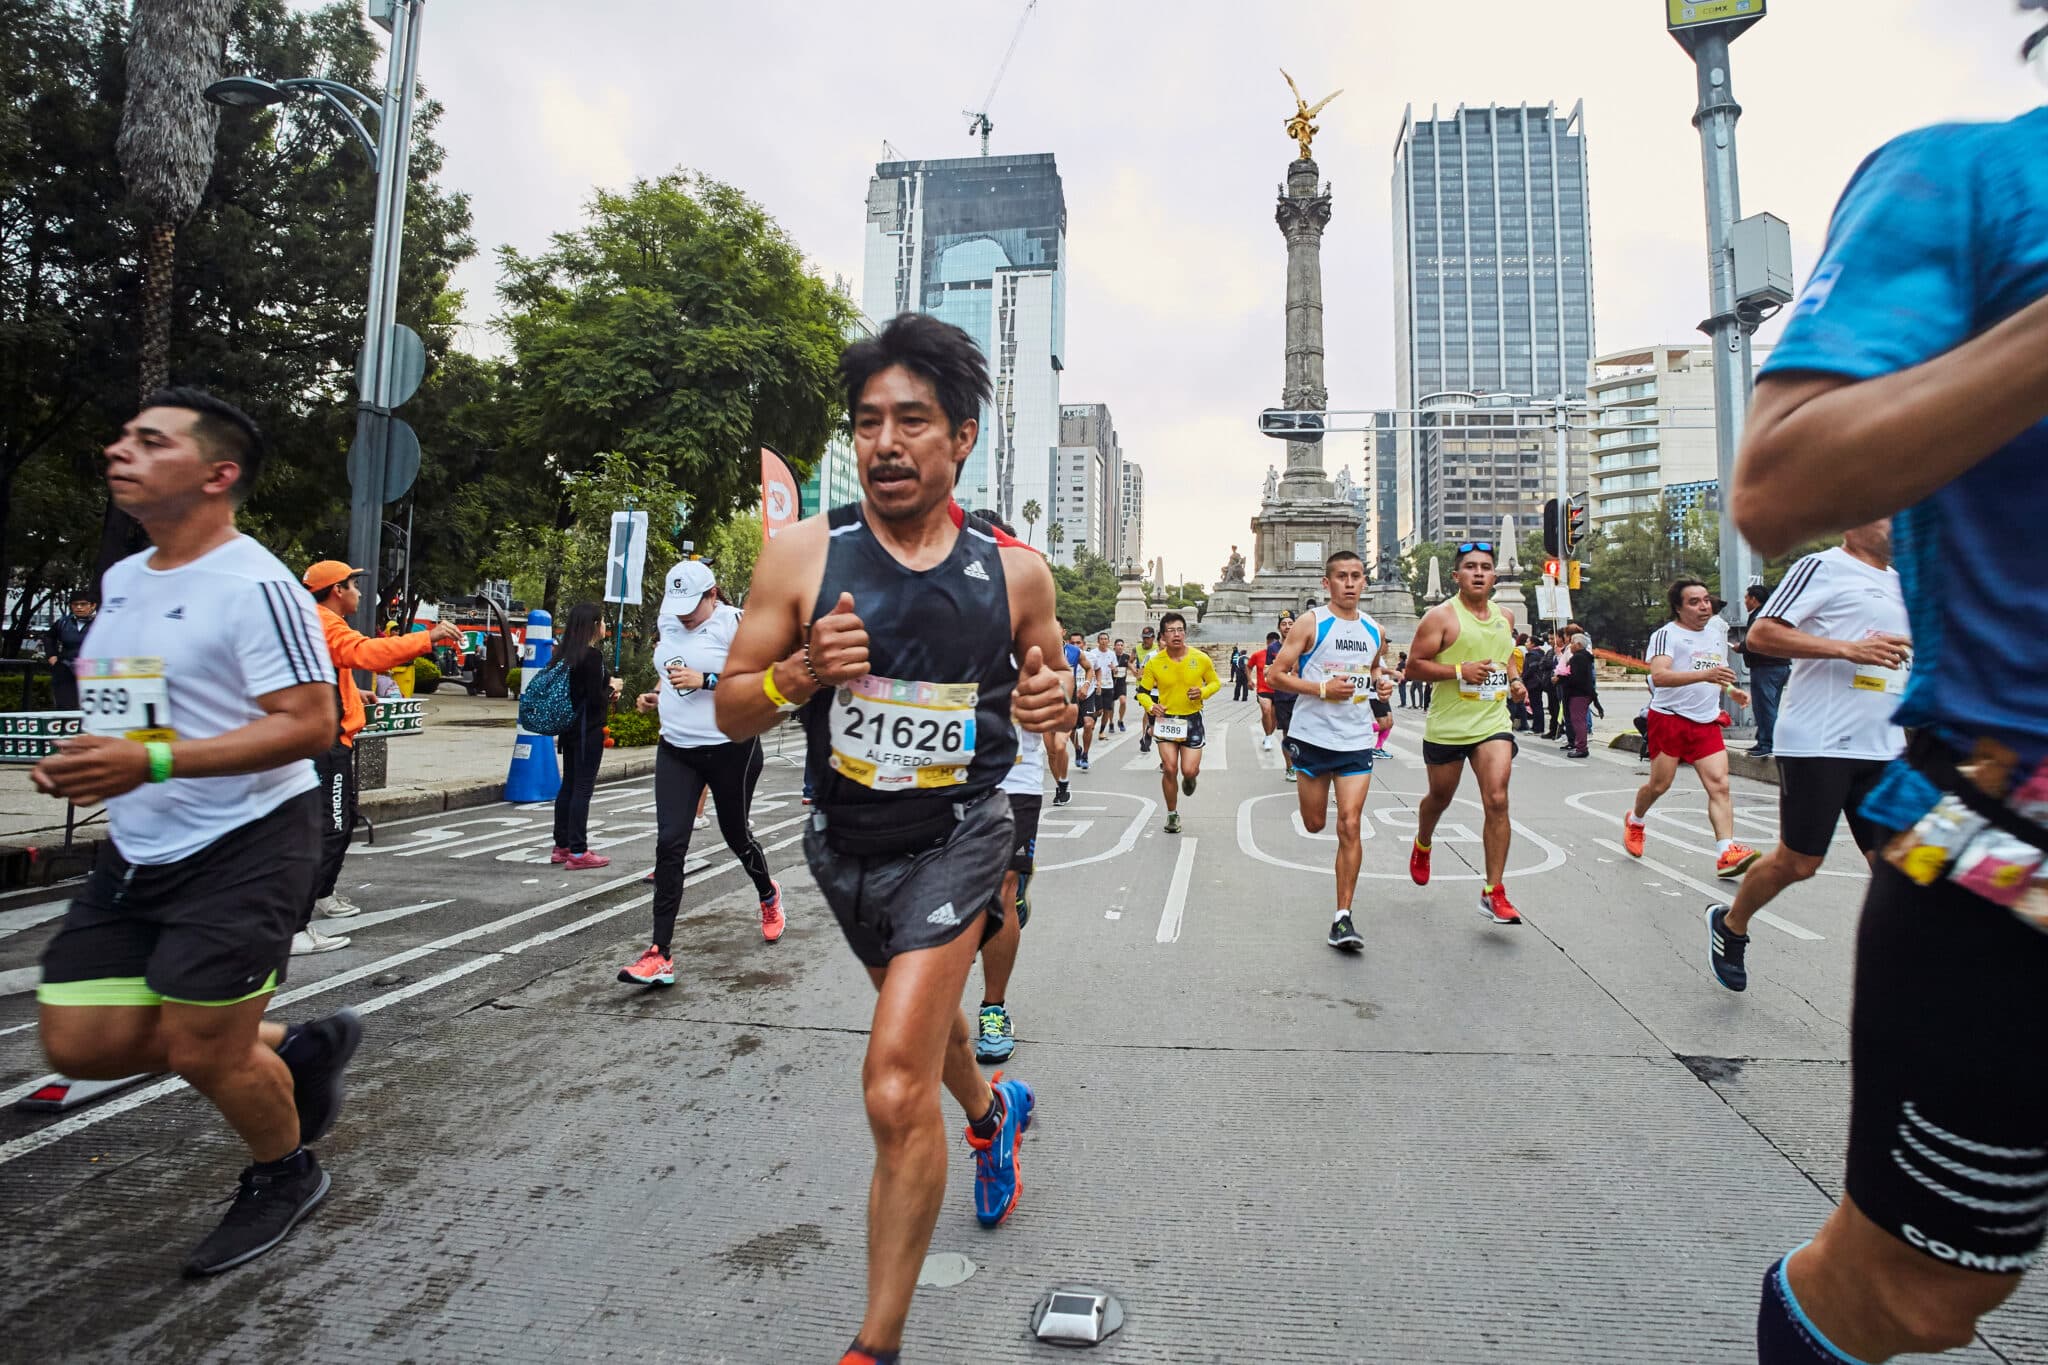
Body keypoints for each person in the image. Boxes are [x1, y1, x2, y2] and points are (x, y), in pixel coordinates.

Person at [1728, 35, 2048, 1352]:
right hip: (2004, 832)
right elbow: (1778, 487)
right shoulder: (1964, 180)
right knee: (1923, 1287)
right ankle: (1740, 903)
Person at [712, 312, 1072, 1365]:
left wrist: (1052, 703)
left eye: (911, 420)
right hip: (844, 845)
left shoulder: (1014, 574)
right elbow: (728, 707)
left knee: (888, 1083)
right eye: (867, 421)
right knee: (929, 1042)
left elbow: (1050, 678)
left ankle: (875, 1345)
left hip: (961, 832)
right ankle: (993, 1111)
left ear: (960, 439)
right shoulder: (798, 557)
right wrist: (797, 674)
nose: (885, 443)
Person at [33, 388, 359, 1276]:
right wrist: (93, 757)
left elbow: (311, 723)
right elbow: (141, 706)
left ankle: (284, 1171)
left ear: (217, 475)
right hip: (143, 844)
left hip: (250, 836)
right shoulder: (127, 578)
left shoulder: (257, 585)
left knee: (198, 1042)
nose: (118, 450)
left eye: (148, 441)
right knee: (78, 1040)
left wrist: (155, 762)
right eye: (121, 434)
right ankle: (297, 1045)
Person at [1707, 521, 1908, 994]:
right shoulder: (1821, 567)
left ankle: (1903, 978)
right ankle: (1731, 923)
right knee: (1800, 862)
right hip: (1820, 743)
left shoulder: (1904, 583)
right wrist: (1846, 648)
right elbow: (1762, 637)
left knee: (1898, 867)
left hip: (1885, 745)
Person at [618, 562, 785, 987]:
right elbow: (668, 670)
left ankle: (767, 893)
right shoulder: (669, 621)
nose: (684, 616)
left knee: (735, 835)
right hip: (677, 747)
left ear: (713, 595)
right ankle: (660, 954)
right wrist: (656, 695)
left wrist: (707, 679)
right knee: (670, 844)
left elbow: (766, 680)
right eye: (678, 607)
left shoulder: (735, 625)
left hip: (732, 747)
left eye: (692, 606)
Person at [297, 562, 462, 954]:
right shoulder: (323, 622)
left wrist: (357, 697)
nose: (358, 592)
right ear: (337, 590)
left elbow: (330, 678)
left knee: (338, 823)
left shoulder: (311, 620)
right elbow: (366, 654)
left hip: (328, 740)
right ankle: (295, 924)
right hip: (326, 745)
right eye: (353, 584)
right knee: (330, 829)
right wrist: (427, 638)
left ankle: (320, 896)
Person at [1269, 551, 1394, 951]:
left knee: (1351, 824)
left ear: (1364, 582)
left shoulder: (1374, 629)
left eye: (1357, 576)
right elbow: (1276, 675)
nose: (1350, 583)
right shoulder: (1312, 623)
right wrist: (1322, 689)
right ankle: (1308, 787)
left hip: (1356, 739)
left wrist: (1382, 685)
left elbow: (1374, 670)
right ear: (1328, 583)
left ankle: (1343, 916)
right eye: (1342, 576)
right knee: (1315, 823)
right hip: (1312, 737)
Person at [1404, 540, 1530, 924]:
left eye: (1486, 567)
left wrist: (1515, 679)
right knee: (1439, 798)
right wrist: (1460, 671)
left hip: (1492, 721)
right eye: (1471, 566)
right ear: (1456, 576)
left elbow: (1504, 652)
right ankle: (1424, 840)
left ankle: (1494, 891)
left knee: (1497, 798)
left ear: (1494, 575)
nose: (1479, 572)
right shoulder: (1440, 618)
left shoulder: (1505, 616)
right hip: (1448, 724)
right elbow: (1413, 667)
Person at [1623, 580, 1762, 878]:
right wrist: (1707, 675)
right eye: (1694, 602)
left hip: (1706, 720)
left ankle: (1726, 851)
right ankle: (1635, 820)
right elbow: (1659, 677)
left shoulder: (1715, 634)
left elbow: (1713, 672)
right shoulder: (1666, 635)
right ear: (1678, 607)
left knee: (1719, 785)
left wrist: (1731, 690)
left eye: (1706, 600)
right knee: (1660, 785)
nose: (1704, 606)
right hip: (1670, 718)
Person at [550, 602, 620, 870]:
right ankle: (579, 851)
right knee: (582, 789)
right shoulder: (591, 657)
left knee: (568, 786)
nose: (604, 627)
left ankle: (562, 845)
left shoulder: (563, 655)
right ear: (592, 626)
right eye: (601, 622)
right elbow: (594, 700)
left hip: (569, 730)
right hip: (587, 731)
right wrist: (611, 689)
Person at [1138, 612, 1220, 833]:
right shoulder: (1155, 662)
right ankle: (1172, 814)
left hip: (1192, 720)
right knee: (1170, 769)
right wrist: (1150, 706)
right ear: (1163, 636)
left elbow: (1215, 683)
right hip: (1166, 720)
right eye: (1171, 630)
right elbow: (1142, 692)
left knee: (1189, 770)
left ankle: (1191, 779)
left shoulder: (1201, 658)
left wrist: (1202, 692)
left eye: (1180, 630)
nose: (1177, 634)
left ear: (1185, 632)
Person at [1741, 582, 1793, 757]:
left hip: (1766, 667)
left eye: (1746, 597)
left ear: (1754, 599)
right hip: (1779, 666)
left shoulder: (1760, 617)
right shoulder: (1772, 615)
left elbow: (1755, 641)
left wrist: (1741, 647)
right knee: (1768, 706)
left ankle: (1768, 743)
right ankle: (1763, 740)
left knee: (1764, 707)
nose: (1745, 601)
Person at [45, 592, 95, 712]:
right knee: (65, 705)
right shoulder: (63, 622)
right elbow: (49, 637)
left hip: (92, 668)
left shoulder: (102, 623)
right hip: (65, 666)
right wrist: (52, 656)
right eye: (75, 604)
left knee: (90, 706)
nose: (79, 607)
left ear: (93, 606)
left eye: (83, 604)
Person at [1557, 629, 1598, 758]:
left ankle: (1581, 747)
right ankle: (1580, 745)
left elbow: (1576, 678)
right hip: (1583, 693)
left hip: (1578, 694)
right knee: (1578, 720)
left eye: (1572, 644)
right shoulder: (1584, 657)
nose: (1570, 646)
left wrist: (1561, 679)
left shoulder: (1578, 658)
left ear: (1579, 645)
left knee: (1578, 721)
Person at [1132, 624, 1161, 754]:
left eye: (1148, 638)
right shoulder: (1151, 655)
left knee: (1166, 723)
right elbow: (1141, 673)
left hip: (1170, 694)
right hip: (1151, 692)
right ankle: (1147, 734)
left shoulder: (1177, 655)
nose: (1146, 640)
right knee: (1150, 716)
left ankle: (1149, 735)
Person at [1249, 631, 1280, 750]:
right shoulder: (1258, 655)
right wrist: (1249, 680)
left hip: (1277, 690)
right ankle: (1268, 737)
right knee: (1266, 711)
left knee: (1274, 717)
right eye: (1270, 643)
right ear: (1267, 643)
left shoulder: (1282, 655)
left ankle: (1269, 735)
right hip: (1263, 689)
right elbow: (1249, 666)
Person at [1111, 637, 1134, 731]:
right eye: (1118, 645)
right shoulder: (1110, 656)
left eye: (1121, 645)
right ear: (1114, 647)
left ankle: (1120, 720)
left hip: (1121, 683)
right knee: (1110, 706)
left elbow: (1131, 666)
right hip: (1111, 684)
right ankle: (1111, 722)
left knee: (1123, 701)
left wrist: (1135, 671)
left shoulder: (1126, 657)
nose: (1120, 647)